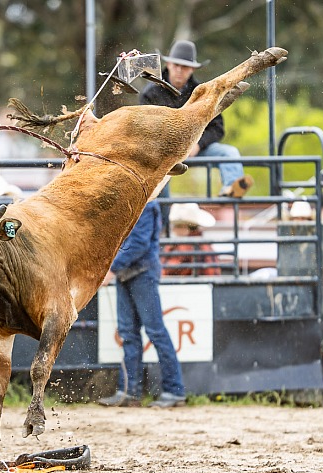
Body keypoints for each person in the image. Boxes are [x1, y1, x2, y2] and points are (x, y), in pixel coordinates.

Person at [98, 199, 186, 408]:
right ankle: (134, 391)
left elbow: (138, 243)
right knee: (134, 333)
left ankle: (167, 390)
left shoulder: (144, 205)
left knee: (150, 332)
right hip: (134, 272)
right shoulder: (141, 204)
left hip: (139, 273)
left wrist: (112, 268)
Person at [140, 40, 253, 198]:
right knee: (157, 179)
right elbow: (147, 130)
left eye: (184, 67)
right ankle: (163, 215)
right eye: (176, 65)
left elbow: (217, 128)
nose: (179, 70)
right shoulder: (151, 93)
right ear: (169, 64)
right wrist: (172, 149)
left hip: (196, 150)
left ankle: (231, 190)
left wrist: (198, 145)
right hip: (164, 154)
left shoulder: (203, 92)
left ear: (192, 69)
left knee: (230, 152)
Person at [162, 202, 221, 276]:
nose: (174, 229)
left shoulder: (184, 246)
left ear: (185, 227)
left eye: (177, 226)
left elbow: (167, 270)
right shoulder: (203, 244)